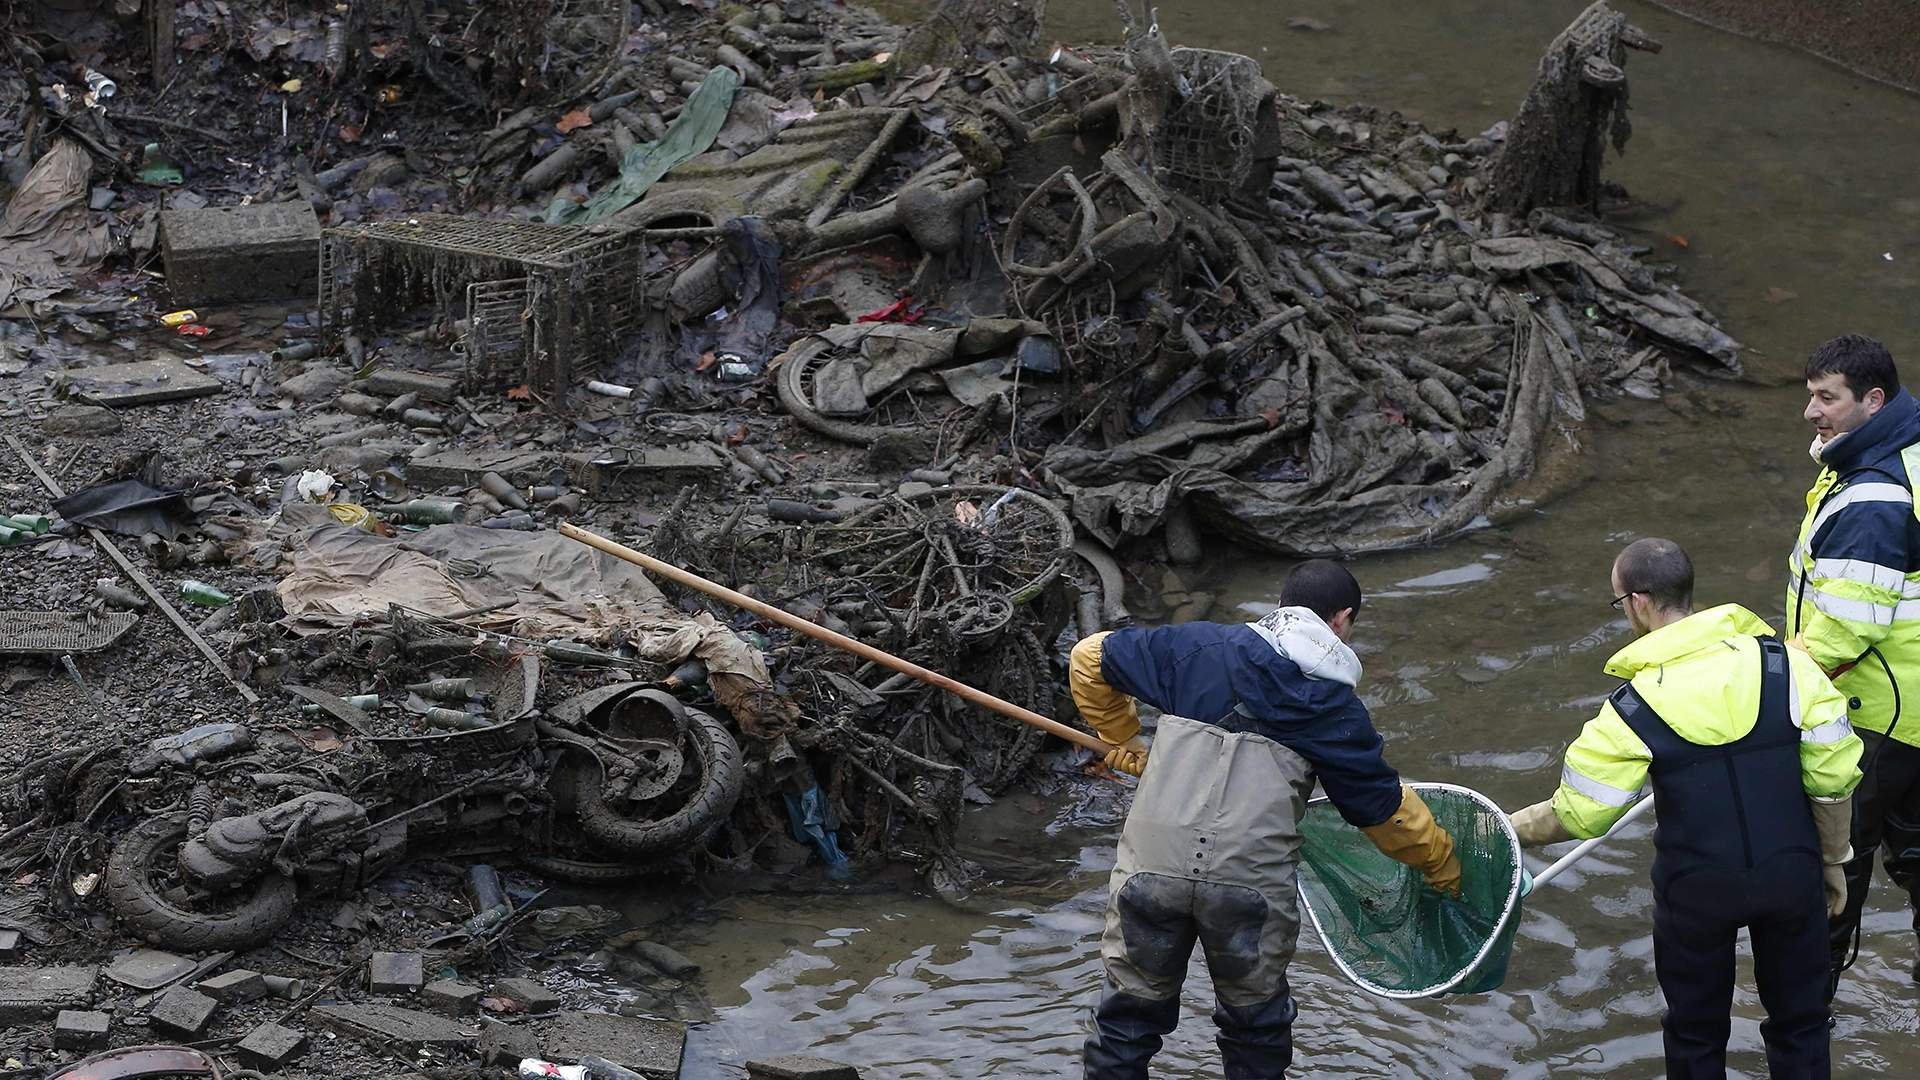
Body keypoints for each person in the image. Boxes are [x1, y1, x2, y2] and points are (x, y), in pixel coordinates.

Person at [1071, 559, 1462, 1079]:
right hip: (1248, 890)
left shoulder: (1196, 649)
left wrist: (1123, 739)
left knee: (1126, 1020)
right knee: (1255, 1026)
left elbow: (1088, 655)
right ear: (1342, 620)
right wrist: (1444, 868)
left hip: (1149, 873)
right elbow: (1386, 814)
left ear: (1282, 605)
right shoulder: (1334, 709)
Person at [1510, 538, 1861, 1078]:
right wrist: (1832, 861)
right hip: (1792, 874)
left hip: (1697, 891)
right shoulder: (1789, 668)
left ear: (1638, 602)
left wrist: (1504, 828)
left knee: (1695, 1035)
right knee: (1802, 1023)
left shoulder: (1631, 707)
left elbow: (1583, 815)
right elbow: (1832, 778)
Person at [1786, 334, 1920, 996]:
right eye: (1809, 395)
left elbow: (1844, 634)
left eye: (1825, 398)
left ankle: (1807, 1010)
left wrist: (1765, 676)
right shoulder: (1907, 454)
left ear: (1873, 400)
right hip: (1913, 709)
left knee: (1835, 865)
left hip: (1876, 715)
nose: (1811, 412)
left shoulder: (1873, 494)